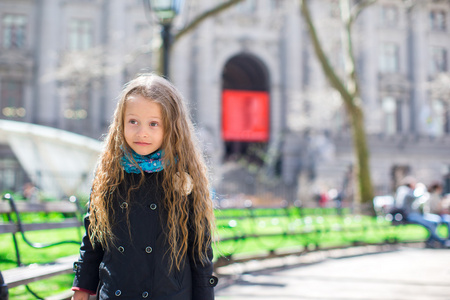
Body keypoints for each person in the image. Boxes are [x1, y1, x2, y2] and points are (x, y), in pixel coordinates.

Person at [71, 74, 218, 300]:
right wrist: (82, 288)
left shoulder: (185, 177)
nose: (142, 132)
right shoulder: (109, 172)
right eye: (133, 122)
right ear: (120, 122)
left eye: (153, 123)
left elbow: (200, 251)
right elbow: (93, 238)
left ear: (171, 127)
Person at [394, 176, 449, 248]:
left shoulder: (406, 191)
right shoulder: (406, 191)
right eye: (414, 184)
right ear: (410, 184)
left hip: (416, 214)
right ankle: (441, 241)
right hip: (411, 215)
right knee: (430, 224)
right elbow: (416, 196)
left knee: (435, 220)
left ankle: (431, 241)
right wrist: (421, 188)